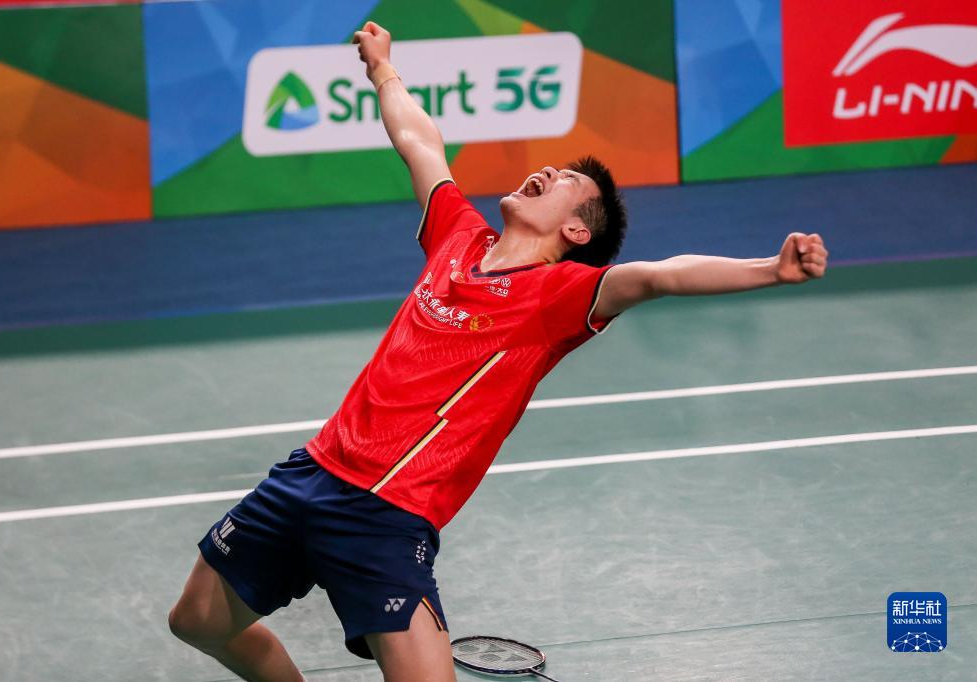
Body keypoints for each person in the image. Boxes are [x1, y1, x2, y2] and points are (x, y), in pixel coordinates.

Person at [167, 21, 829, 682]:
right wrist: (382, 69)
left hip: (387, 510)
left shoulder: (560, 296)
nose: (546, 171)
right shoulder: (457, 236)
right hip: (312, 471)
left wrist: (769, 269)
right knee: (196, 619)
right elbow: (419, 141)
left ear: (576, 231)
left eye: (566, 180)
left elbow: (659, 276)